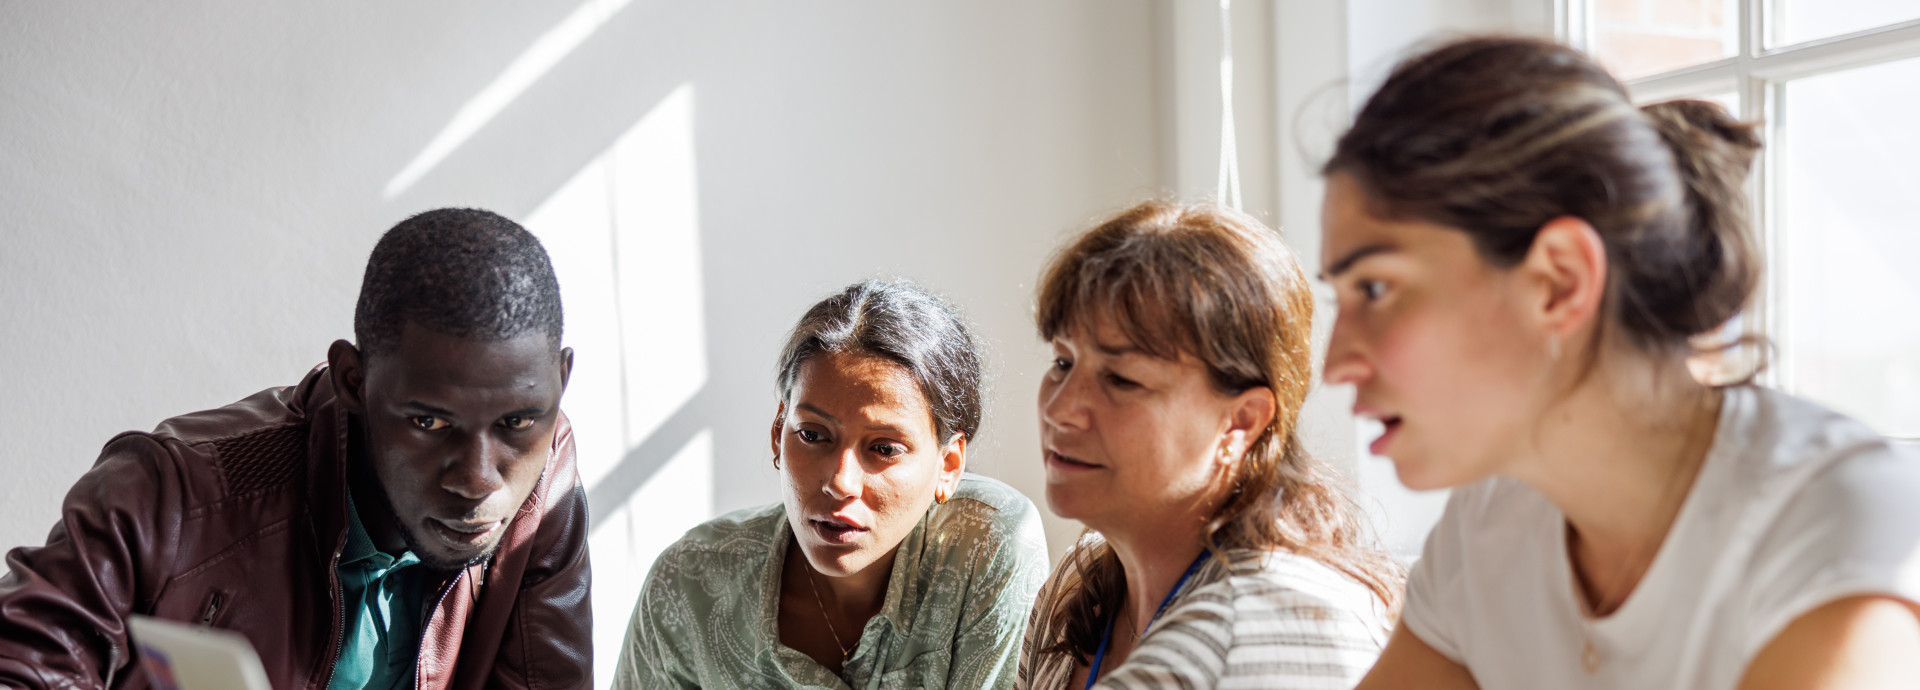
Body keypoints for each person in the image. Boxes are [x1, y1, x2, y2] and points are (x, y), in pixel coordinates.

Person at [1319, 36, 1920, 690]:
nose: (1334, 363)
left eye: (1374, 289)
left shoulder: (1834, 524)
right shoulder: (1488, 522)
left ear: (1559, 282)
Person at [0, 209, 591, 689]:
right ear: (353, 381)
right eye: (430, 422)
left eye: (517, 420)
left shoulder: (546, 478)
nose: (478, 480)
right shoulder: (171, 493)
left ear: (559, 381)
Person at [1016, 201, 1402, 690]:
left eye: (1121, 379)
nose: (1060, 408)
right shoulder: (1077, 586)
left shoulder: (1282, 628)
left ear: (1241, 421)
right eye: (1063, 363)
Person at [614, 279, 1050, 690]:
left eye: (883, 448)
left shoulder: (987, 545)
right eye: (813, 435)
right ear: (777, 434)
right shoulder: (690, 583)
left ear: (948, 466)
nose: (840, 483)